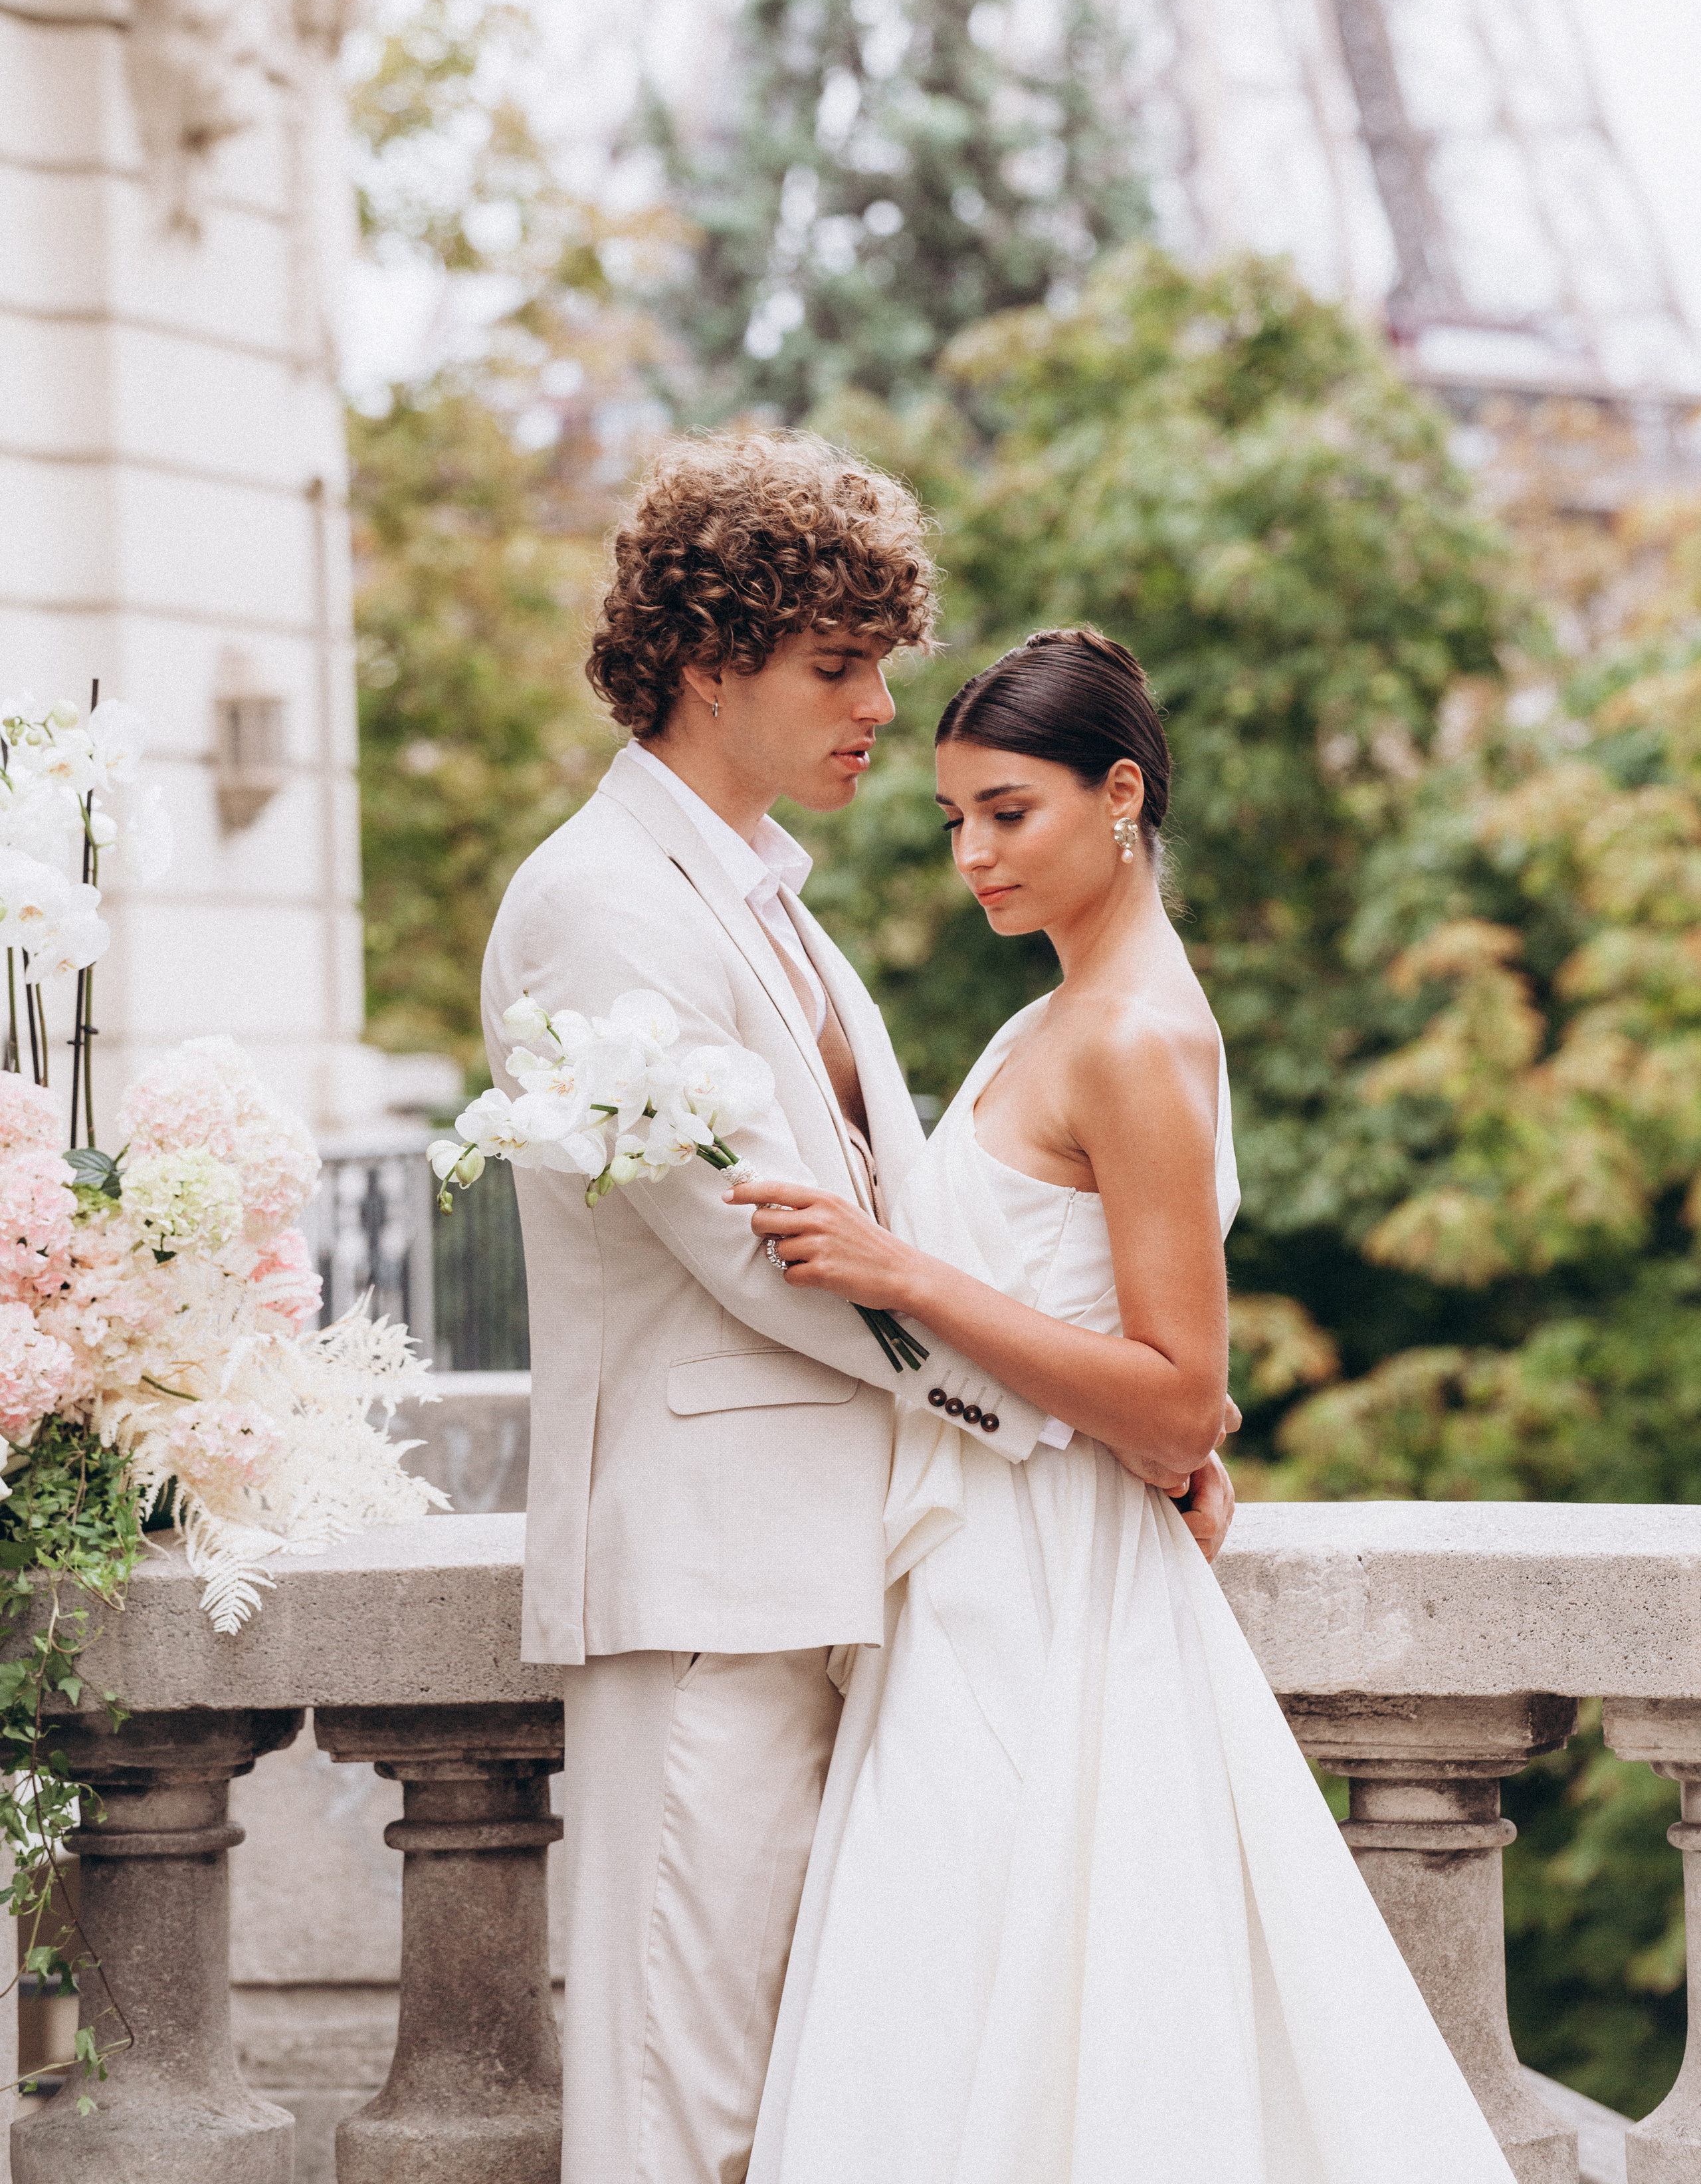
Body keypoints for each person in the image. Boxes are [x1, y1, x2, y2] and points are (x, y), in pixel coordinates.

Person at [480, 443, 1235, 2184]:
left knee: (831, 2119)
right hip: (709, 1594)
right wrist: (1089, 1418)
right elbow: (773, 1256)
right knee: (696, 2118)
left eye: (884, 661)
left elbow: (902, 1222)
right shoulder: (597, 905)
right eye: (839, 664)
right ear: (705, 655)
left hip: (860, 1580)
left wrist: (1131, 1403)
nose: (883, 708)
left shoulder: (774, 906)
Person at [734, 628, 1518, 2184]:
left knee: (1038, 2013)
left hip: (1051, 1601)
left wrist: (905, 1274)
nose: (971, 853)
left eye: (1005, 812)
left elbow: (1179, 1403)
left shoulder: (1138, 1036)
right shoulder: (1059, 1014)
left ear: (1117, 795)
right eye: (951, 817)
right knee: (951, 2019)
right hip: (983, 1575)